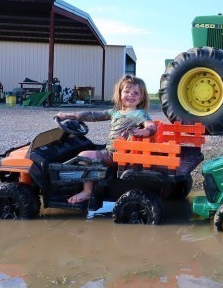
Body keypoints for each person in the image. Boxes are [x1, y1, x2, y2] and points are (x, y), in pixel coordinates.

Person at [55, 75, 157, 203]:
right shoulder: (115, 112)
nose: (131, 95)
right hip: (113, 151)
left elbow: (151, 126)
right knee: (90, 148)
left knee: (84, 155)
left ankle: (87, 191)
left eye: (136, 93)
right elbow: (91, 115)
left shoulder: (138, 114)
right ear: (119, 93)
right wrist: (66, 115)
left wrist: (143, 131)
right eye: (127, 91)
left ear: (141, 97)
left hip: (117, 155)